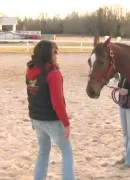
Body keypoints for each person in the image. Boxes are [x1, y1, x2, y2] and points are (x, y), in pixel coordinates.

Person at [26, 40, 74, 180]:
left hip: (36, 118)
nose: (56, 55)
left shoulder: (30, 70)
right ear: (48, 54)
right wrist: (66, 123)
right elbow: (57, 103)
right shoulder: (53, 74)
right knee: (67, 152)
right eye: (55, 52)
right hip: (51, 120)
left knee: (43, 151)